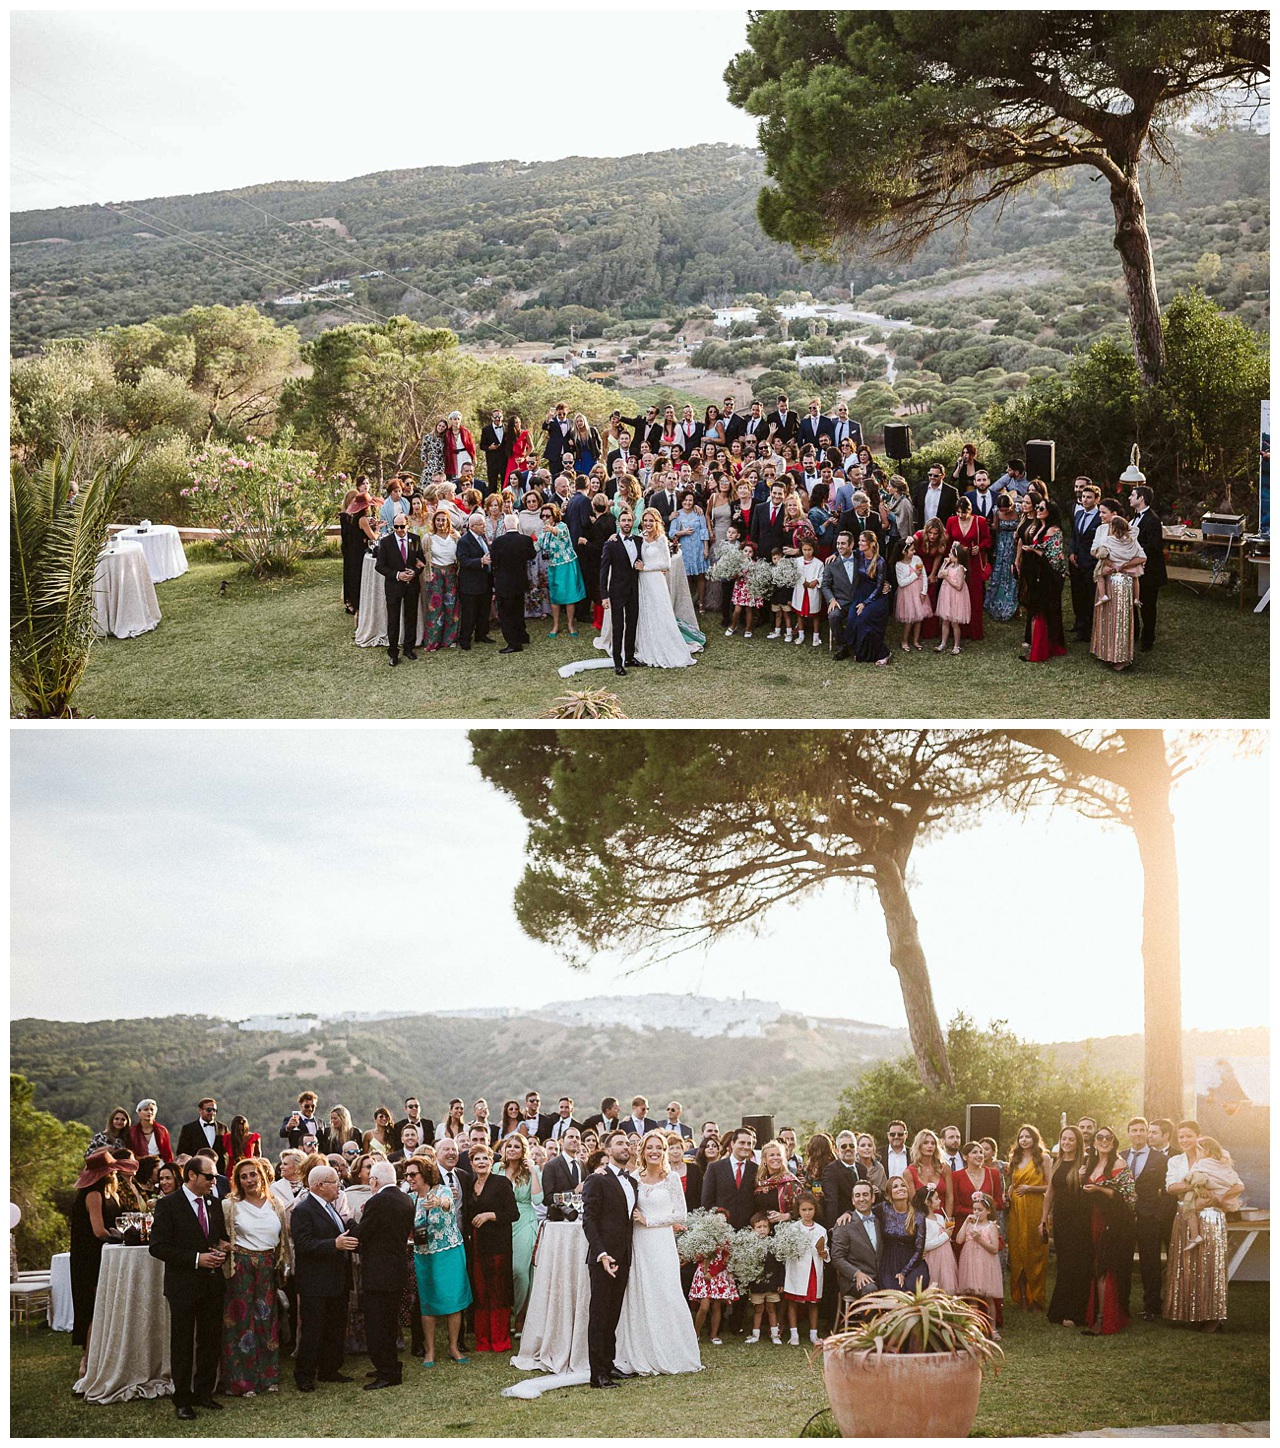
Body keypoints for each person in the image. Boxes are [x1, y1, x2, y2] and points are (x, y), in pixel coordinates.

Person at [612, 1130, 702, 1375]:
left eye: (659, 1148)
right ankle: (639, 1351)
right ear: (642, 1151)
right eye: (650, 1147)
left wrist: (649, 1220)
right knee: (640, 1292)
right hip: (639, 1243)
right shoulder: (633, 1178)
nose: (655, 1151)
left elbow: (681, 1215)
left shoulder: (671, 1178)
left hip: (661, 1241)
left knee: (666, 1292)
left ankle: (672, 1350)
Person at [149, 1155, 228, 1420]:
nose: (213, 1181)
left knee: (210, 1340)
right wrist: (196, 1259)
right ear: (192, 1175)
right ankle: (182, 1399)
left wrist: (221, 1250)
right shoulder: (168, 1205)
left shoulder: (214, 1204)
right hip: (183, 1285)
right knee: (182, 1343)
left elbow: (216, 1238)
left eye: (215, 1177)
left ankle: (204, 1393)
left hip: (212, 1284)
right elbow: (158, 1246)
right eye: (209, 1177)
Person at [219, 1157, 290, 1397]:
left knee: (267, 1320)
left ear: (262, 1176)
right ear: (238, 1181)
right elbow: (219, 1236)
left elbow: (283, 1241)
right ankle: (242, 1382)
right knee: (241, 1323)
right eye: (244, 1176)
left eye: (253, 1174)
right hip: (241, 1266)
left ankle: (268, 1377)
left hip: (268, 1266)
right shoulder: (230, 1205)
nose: (249, 1180)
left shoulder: (275, 1203)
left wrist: (283, 1265)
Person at [1164, 1122, 1242, 1331]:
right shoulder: (1175, 1161)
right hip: (1185, 1215)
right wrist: (1197, 1187)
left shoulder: (1214, 1158)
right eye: (1181, 1137)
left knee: (1210, 1266)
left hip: (1211, 1216)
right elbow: (1171, 1187)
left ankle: (1213, 1316)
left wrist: (1219, 1197)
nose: (1184, 1140)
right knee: (1187, 1265)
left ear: (1198, 1136)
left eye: (1188, 1136)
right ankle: (1188, 1313)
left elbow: (1236, 1184)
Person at [290, 1164, 360, 1391]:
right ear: (320, 1186)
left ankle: (329, 1369)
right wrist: (334, 1244)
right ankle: (305, 1375)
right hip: (315, 1283)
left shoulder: (332, 1208)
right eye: (335, 1183)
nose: (339, 1187)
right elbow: (303, 1244)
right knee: (313, 1330)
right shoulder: (303, 1210)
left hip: (336, 1280)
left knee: (334, 1327)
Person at [581, 1131, 640, 1389]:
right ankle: (597, 1374)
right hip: (603, 1257)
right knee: (599, 1315)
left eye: (627, 1142)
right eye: (619, 1143)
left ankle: (609, 1364)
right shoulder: (597, 1179)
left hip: (624, 1256)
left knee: (613, 1313)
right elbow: (589, 1221)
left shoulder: (633, 1182)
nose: (625, 1146)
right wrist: (601, 1253)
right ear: (607, 1150)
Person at [69, 1147, 135, 1371]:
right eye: (113, 1171)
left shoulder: (109, 1193)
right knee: (94, 1310)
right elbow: (98, 1231)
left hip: (104, 1255)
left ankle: (99, 1357)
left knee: (102, 1308)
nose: (116, 1174)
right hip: (90, 1258)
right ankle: (86, 1361)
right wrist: (123, 1235)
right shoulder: (94, 1195)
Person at [403, 1156, 470, 1370]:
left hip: (449, 1251)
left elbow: (448, 1204)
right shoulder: (409, 1197)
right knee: (428, 1302)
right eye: (407, 1175)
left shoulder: (442, 1191)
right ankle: (430, 1349)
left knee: (453, 1300)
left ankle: (453, 1347)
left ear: (425, 1173)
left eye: (413, 1174)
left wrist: (438, 1203)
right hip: (423, 1253)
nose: (409, 1178)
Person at [462, 1142, 519, 1353]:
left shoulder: (501, 1183)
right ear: (471, 1163)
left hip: (498, 1245)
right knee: (480, 1291)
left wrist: (490, 1215)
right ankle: (483, 1340)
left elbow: (513, 1213)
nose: (481, 1162)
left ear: (491, 1161)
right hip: (476, 1245)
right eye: (477, 1159)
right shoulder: (469, 1185)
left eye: (485, 1158)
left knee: (497, 1292)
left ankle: (499, 1340)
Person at [1080, 1125, 1137, 1336]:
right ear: (1094, 1142)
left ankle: (1104, 1320)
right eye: (1100, 1137)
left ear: (1113, 1142)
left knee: (1105, 1268)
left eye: (1108, 1138)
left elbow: (1127, 1196)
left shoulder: (1119, 1163)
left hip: (1113, 1223)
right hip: (1091, 1220)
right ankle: (1095, 1315)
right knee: (1095, 1267)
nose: (1104, 1141)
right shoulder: (1091, 1163)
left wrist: (1098, 1189)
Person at [1090, 501, 1146, 671]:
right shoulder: (1101, 531)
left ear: (1114, 514)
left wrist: (1121, 566)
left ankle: (1120, 657)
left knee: (1119, 619)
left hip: (1121, 582)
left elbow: (1142, 557)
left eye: (1103, 512)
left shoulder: (1130, 534)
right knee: (1106, 617)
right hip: (1105, 579)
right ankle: (1104, 652)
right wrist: (1107, 562)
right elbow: (1094, 550)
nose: (1100, 515)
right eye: (1099, 512)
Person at [1123, 1116, 1168, 1322]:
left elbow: (1167, 1191)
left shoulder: (1159, 1159)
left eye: (1142, 1130)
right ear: (1128, 1133)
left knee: (1150, 1264)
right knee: (1122, 1261)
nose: (1138, 1134)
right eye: (1134, 1130)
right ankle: (1122, 1305)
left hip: (1149, 1217)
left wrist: (1158, 1216)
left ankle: (1151, 1307)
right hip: (1123, 1218)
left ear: (1147, 1133)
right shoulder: (1120, 1156)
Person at [494, 1133, 542, 1325]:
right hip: (501, 1222)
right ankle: (507, 1315)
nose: (512, 1149)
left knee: (520, 1271)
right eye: (509, 1146)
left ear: (523, 1150)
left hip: (524, 1220)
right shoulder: (497, 1168)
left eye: (516, 1146)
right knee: (502, 1271)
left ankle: (521, 1317)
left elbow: (538, 1200)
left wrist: (533, 1172)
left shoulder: (532, 1169)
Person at [1017, 498, 1068, 662]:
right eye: (1037, 507)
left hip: (1047, 576)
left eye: (1042, 508)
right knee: (1034, 608)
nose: (1038, 509)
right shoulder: (1038, 527)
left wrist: (1033, 550)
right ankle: (1035, 644)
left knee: (1043, 609)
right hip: (1033, 572)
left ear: (1050, 512)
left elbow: (1055, 557)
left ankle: (1042, 649)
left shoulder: (1055, 530)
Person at [1005, 1125, 1050, 1310]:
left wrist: (1031, 1189)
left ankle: (1037, 1297)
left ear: (1035, 1139)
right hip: (1016, 1210)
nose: (1024, 1140)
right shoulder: (1015, 1159)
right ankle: (1022, 1297)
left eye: (1028, 1137)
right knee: (1017, 1253)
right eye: (1021, 1137)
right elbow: (1013, 1184)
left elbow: (1050, 1186)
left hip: (1035, 1208)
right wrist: (1009, 1192)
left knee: (1035, 1252)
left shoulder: (1044, 1158)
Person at [375, 513, 425, 668]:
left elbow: (421, 560)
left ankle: (409, 649)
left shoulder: (415, 539)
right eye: (396, 527)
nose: (399, 530)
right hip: (394, 586)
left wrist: (414, 573)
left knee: (411, 617)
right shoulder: (386, 542)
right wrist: (397, 575)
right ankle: (393, 653)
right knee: (393, 620)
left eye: (402, 526)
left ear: (407, 524)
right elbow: (380, 566)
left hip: (412, 586)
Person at [783, 1192, 828, 1346]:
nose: (807, 1213)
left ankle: (813, 1334)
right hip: (797, 1269)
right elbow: (786, 1249)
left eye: (810, 1209)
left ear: (815, 1210)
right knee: (793, 1301)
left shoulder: (821, 1230)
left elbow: (825, 1249)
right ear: (798, 1211)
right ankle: (794, 1333)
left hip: (813, 1269)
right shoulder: (793, 1228)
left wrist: (824, 1253)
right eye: (804, 1210)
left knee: (813, 1302)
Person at [956, 1193, 1003, 1338]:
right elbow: (958, 1240)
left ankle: (993, 1328)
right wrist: (965, 1222)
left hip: (985, 1263)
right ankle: (973, 1328)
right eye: (974, 1209)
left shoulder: (991, 1226)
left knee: (988, 1297)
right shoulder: (970, 1224)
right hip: (970, 1262)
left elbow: (994, 1248)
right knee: (972, 1296)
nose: (976, 1213)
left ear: (988, 1211)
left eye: (980, 1210)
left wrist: (980, 1240)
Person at [536, 501, 586, 638]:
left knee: (569, 595)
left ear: (554, 516)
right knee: (555, 596)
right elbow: (537, 546)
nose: (545, 519)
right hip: (553, 566)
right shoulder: (543, 532)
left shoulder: (562, 526)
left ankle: (570, 624)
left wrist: (551, 529)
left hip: (567, 564)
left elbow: (561, 533)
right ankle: (556, 625)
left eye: (548, 516)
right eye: (543, 516)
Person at [830, 1180, 882, 1310]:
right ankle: (870, 1330)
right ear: (853, 1200)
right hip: (854, 1279)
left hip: (880, 1275)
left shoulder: (880, 1219)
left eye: (865, 1194)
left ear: (873, 1198)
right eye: (857, 1196)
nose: (861, 1199)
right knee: (870, 1290)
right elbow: (836, 1257)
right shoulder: (844, 1224)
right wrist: (857, 1274)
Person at [945, 497, 991, 638]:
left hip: (974, 562)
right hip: (957, 562)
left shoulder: (980, 521)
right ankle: (958, 629)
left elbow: (988, 539)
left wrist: (979, 546)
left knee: (974, 594)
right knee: (957, 593)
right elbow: (948, 541)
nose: (960, 515)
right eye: (958, 512)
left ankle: (974, 630)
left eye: (963, 512)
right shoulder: (951, 521)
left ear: (970, 510)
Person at [1129, 483, 1167, 652]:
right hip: (1136, 570)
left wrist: (1132, 548)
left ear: (1141, 498)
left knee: (1147, 606)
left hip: (1150, 572)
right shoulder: (1135, 516)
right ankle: (1134, 633)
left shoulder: (1152, 520)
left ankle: (1148, 640)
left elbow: (1154, 546)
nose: (1129, 497)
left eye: (1132, 495)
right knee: (1133, 604)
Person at [874, 1175, 927, 1292]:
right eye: (895, 1186)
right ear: (888, 1194)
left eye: (903, 1185)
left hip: (912, 1262)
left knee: (912, 1288)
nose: (900, 1188)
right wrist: (847, 1213)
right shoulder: (883, 1209)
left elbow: (919, 1250)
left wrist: (904, 1272)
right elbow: (864, 1212)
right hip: (889, 1262)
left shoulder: (918, 1215)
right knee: (895, 1292)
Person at [419, 509, 461, 652]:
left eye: (443, 520)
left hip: (451, 573)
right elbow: (423, 556)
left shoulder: (455, 537)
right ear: (434, 522)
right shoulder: (428, 538)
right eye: (438, 520)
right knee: (435, 608)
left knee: (451, 606)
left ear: (448, 521)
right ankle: (433, 642)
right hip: (435, 574)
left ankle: (450, 640)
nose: (440, 522)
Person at [702, 1127, 758, 1229]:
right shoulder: (715, 1168)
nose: (746, 1147)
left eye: (749, 1144)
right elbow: (707, 1200)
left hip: (748, 1230)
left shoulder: (756, 1169)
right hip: (721, 1228)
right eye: (742, 1143)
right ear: (732, 1144)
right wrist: (717, 1215)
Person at [1068, 481, 1104, 638]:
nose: (1085, 500)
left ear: (1096, 499)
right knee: (1078, 594)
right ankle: (1079, 623)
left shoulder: (1100, 517)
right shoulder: (1078, 514)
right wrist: (1071, 552)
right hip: (1076, 561)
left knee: (1090, 596)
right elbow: (1075, 536)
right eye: (1083, 497)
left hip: (1092, 563)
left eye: (1089, 497)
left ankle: (1090, 629)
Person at [456, 513, 495, 650]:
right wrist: (480, 561)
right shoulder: (464, 541)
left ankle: (481, 634)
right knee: (469, 613)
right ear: (472, 526)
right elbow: (463, 560)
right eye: (481, 524)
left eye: (484, 523)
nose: (484, 526)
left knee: (483, 610)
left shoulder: (482, 537)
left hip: (484, 581)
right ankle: (465, 639)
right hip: (470, 583)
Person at [918, 1186, 958, 1293]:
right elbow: (926, 1244)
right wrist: (945, 1235)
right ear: (927, 1202)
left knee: (947, 1285)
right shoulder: (924, 1221)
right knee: (934, 1287)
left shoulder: (940, 1217)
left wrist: (948, 1235)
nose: (940, 1200)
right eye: (936, 1198)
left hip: (946, 1257)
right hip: (933, 1258)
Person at [177, 1098, 229, 1174]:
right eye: (208, 1110)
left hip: (219, 1172)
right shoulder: (188, 1129)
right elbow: (182, 1151)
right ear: (200, 1110)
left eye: (214, 1110)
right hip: (197, 1172)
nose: (212, 1112)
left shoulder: (223, 1128)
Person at [913, 463, 958, 529]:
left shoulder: (951, 492)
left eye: (936, 476)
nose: (932, 477)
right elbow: (915, 504)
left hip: (942, 531)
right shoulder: (921, 487)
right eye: (930, 475)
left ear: (943, 476)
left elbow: (956, 512)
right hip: (923, 529)